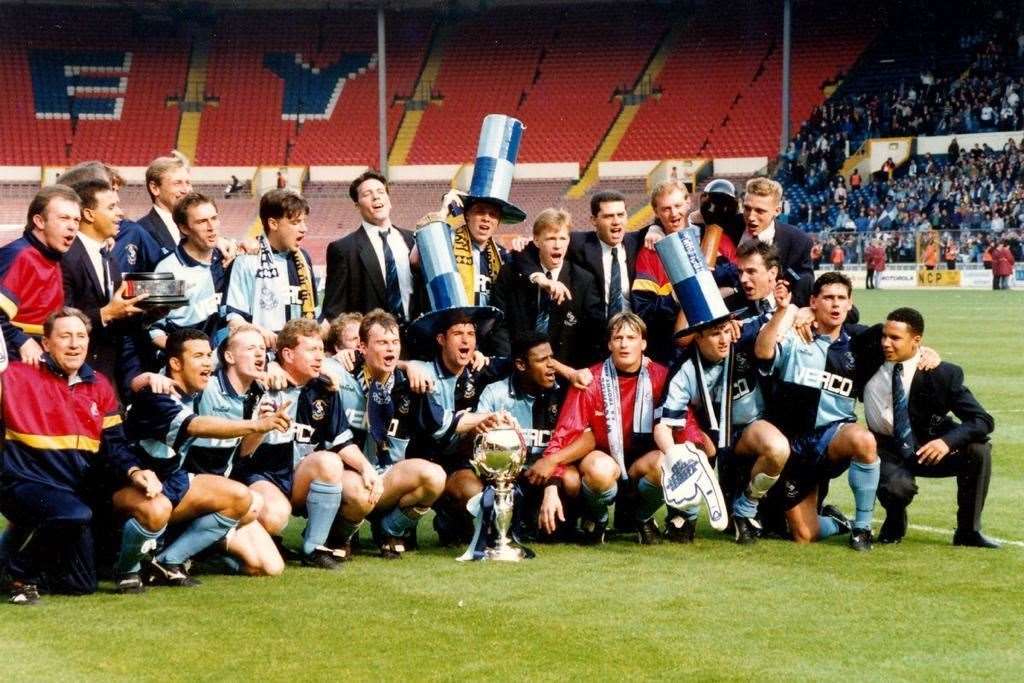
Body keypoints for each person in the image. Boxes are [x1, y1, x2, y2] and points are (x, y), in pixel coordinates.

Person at [111, 328, 291, 590]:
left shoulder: (196, 391)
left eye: (208, 355)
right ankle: (127, 569)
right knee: (156, 508)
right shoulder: (158, 395)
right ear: (175, 363)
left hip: (171, 481)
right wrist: (256, 425)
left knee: (243, 499)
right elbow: (195, 426)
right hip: (130, 484)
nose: (207, 362)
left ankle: (167, 562)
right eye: (198, 356)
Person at [0, 309, 138, 604]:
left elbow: (114, 445)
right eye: (64, 336)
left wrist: (135, 471)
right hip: (21, 484)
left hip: (71, 492)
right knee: (74, 514)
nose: (74, 344)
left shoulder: (100, 385)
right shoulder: (14, 375)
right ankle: (18, 573)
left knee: (81, 585)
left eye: (81, 336)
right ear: (46, 343)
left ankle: (9, 562)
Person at [754, 272, 879, 550]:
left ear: (850, 304)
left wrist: (925, 353)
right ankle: (836, 522)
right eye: (828, 298)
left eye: (841, 298)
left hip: (832, 437)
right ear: (814, 302)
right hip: (793, 447)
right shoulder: (794, 338)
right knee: (804, 535)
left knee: (864, 440)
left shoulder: (858, 344)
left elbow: (900, 341)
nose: (835, 305)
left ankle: (862, 528)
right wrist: (789, 311)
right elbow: (763, 353)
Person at [230, 319, 368, 570]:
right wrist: (263, 425)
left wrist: (367, 469)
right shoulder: (262, 383)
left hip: (298, 477)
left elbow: (341, 441)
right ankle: (241, 544)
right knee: (274, 517)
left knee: (330, 462)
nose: (320, 357)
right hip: (261, 475)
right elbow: (242, 452)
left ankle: (314, 547)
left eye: (320, 349)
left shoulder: (325, 389)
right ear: (288, 354)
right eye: (311, 350)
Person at [525, 312, 669, 544]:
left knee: (667, 463)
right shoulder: (590, 380)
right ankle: (597, 518)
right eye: (618, 337)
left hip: (641, 463)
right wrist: (551, 472)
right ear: (609, 344)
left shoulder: (661, 376)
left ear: (643, 343)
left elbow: (680, 422)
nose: (624, 344)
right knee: (599, 469)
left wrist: (698, 446)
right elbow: (566, 431)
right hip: (604, 464)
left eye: (631, 337)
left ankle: (643, 518)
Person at [859, 308, 997, 548]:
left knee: (978, 450)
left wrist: (947, 442)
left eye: (895, 338)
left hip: (928, 447)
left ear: (917, 341)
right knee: (897, 489)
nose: (886, 343)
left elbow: (982, 420)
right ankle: (894, 519)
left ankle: (968, 531)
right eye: (884, 336)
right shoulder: (869, 359)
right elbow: (845, 322)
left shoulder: (942, 373)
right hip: (885, 447)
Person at [326, 310, 446, 558]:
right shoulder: (341, 375)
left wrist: (487, 419)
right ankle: (341, 535)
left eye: (395, 343)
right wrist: (273, 367)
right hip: (351, 475)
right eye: (381, 343)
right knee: (359, 494)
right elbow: (306, 365)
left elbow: (444, 421)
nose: (390, 349)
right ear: (362, 347)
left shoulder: (409, 381)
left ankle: (389, 529)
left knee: (435, 477)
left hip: (388, 475)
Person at [181, 324, 290, 575]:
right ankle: (175, 553)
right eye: (251, 348)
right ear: (229, 356)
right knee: (252, 504)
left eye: (262, 349)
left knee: (270, 568)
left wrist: (262, 427)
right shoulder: (205, 386)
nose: (260, 355)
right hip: (188, 488)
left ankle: (207, 547)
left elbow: (242, 453)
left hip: (223, 495)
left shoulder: (257, 393)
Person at [407, 314, 513, 544]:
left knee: (474, 493)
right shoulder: (422, 372)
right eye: (457, 334)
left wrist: (572, 374)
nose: (465, 340)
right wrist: (407, 365)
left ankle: (451, 520)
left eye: (471, 334)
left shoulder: (479, 368)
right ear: (441, 339)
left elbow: (527, 360)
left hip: (457, 465)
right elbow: (438, 426)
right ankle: (399, 526)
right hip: (418, 464)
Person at [478, 331, 573, 540]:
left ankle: (583, 523)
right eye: (542, 360)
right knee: (468, 486)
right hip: (505, 480)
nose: (552, 366)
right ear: (521, 365)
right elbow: (478, 446)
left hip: (548, 477)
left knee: (573, 478)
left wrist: (552, 470)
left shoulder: (564, 392)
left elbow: (586, 438)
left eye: (552, 358)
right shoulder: (495, 394)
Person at [490, 208, 605, 375]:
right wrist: (509, 363)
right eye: (551, 239)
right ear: (536, 241)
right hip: (516, 369)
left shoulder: (584, 280)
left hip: (564, 374)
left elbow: (591, 335)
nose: (557, 245)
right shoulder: (510, 273)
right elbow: (499, 322)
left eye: (562, 238)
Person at [61, 178, 151, 387]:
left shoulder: (107, 256)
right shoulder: (67, 257)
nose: (120, 213)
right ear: (89, 214)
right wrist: (106, 313)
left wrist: (149, 312)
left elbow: (116, 319)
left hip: (107, 373)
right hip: (76, 377)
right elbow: (59, 318)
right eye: (112, 207)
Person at [223, 189, 318, 357]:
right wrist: (260, 332)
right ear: (273, 224)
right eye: (296, 222)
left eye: (304, 221)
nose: (304, 229)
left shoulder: (303, 259)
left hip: (298, 357)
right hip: (260, 357)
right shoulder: (247, 260)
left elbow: (312, 315)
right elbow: (234, 321)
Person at [321, 171, 417, 327]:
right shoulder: (343, 249)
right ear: (357, 205)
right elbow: (334, 310)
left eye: (381, 192)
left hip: (415, 338)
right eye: (367, 194)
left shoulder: (413, 240)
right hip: (371, 342)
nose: (376, 197)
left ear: (389, 200)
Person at [0, 185, 81, 365]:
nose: (72, 226)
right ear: (39, 221)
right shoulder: (19, 255)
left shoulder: (55, 258)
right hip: (14, 368)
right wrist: (23, 341)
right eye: (64, 218)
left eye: (76, 220)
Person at [150, 192, 228, 348]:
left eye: (214, 218)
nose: (211, 227)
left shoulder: (228, 259)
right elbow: (154, 330)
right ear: (184, 228)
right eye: (202, 222)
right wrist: (185, 353)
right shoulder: (167, 270)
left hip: (227, 360)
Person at [737, 178, 815, 306]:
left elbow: (804, 285)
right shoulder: (728, 227)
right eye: (747, 208)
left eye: (760, 211)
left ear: (777, 211)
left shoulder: (798, 241)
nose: (751, 217)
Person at [136, 152, 193, 251]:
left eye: (188, 183)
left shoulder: (198, 226)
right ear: (155, 188)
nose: (186, 190)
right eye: (177, 183)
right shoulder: (140, 232)